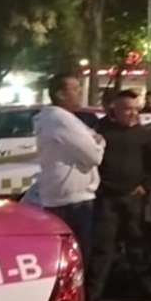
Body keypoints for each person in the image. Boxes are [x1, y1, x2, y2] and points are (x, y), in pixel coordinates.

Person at [86, 90, 151, 301]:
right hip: (107, 198)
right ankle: (93, 295)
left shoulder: (142, 134)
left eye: (136, 109)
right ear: (114, 110)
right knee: (103, 247)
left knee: (137, 243)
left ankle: (147, 289)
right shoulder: (100, 132)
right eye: (128, 109)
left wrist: (144, 186)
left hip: (133, 197)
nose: (133, 114)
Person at [34, 73, 105, 266]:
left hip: (64, 197)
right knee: (78, 257)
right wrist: (100, 143)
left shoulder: (61, 118)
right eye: (75, 89)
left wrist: (95, 141)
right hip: (73, 200)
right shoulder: (61, 119)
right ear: (60, 94)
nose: (79, 93)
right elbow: (94, 155)